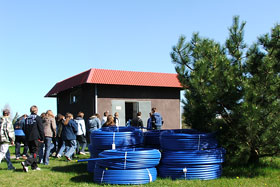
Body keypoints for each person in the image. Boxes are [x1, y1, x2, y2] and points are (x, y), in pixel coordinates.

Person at [21, 105, 44, 172]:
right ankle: (26, 163)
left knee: (32, 152)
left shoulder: (27, 118)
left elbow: (24, 128)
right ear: (36, 110)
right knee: (35, 152)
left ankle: (34, 166)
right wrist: (42, 138)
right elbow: (41, 129)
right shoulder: (38, 118)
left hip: (28, 137)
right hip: (35, 137)